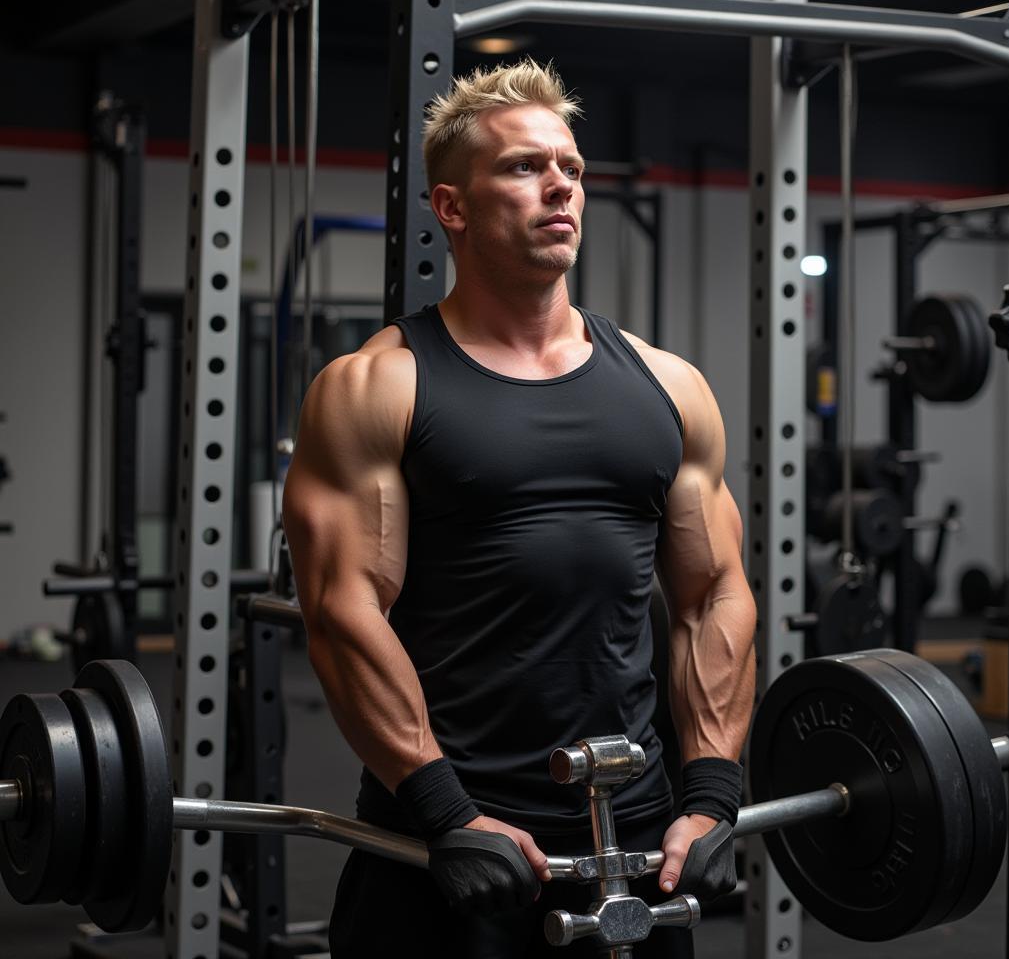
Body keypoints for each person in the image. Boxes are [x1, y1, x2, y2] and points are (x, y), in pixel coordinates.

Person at [282, 58, 756, 958]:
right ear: (452, 207)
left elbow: (713, 596)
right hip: (450, 843)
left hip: (637, 840)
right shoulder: (377, 386)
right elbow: (343, 613)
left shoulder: (669, 386)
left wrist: (711, 799)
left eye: (570, 168)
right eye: (524, 167)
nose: (559, 187)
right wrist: (443, 811)